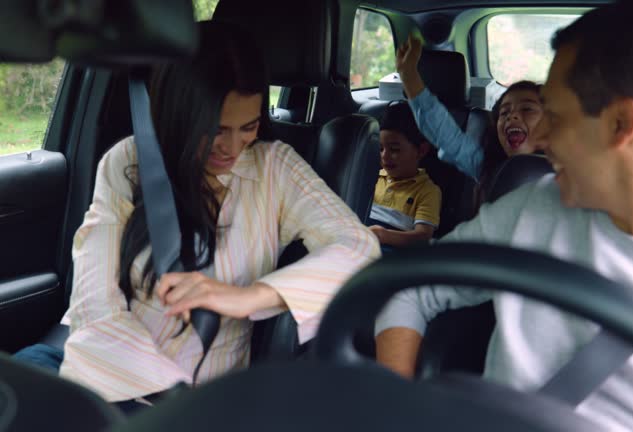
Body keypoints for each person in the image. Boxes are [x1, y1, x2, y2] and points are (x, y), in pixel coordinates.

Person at [375, 2, 633, 431]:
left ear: (621, 125)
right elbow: (409, 291)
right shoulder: (531, 207)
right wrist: (398, 408)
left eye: (556, 116)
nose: (541, 136)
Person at [51, 21, 380, 405]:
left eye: (249, 126)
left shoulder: (275, 167)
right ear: (180, 114)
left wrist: (251, 296)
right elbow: (94, 297)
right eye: (214, 128)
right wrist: (156, 385)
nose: (232, 146)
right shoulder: (129, 161)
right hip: (105, 375)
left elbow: (358, 246)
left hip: (208, 401)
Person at [396, 34, 543, 205]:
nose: (512, 116)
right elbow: (445, 135)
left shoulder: (567, 173)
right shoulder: (487, 167)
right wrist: (408, 74)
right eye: (504, 113)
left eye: (527, 109)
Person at [368, 102, 442, 248]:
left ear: (421, 150)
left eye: (394, 149)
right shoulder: (372, 178)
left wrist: (383, 235)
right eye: (381, 148)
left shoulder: (427, 191)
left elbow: (422, 237)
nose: (385, 156)